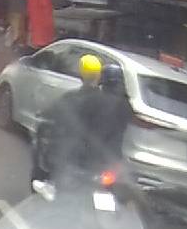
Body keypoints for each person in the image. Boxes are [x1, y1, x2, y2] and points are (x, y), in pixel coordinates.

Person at [31, 54, 128, 201]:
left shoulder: (77, 98)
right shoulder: (124, 105)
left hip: (81, 156)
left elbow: (58, 114)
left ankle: (51, 185)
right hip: (110, 158)